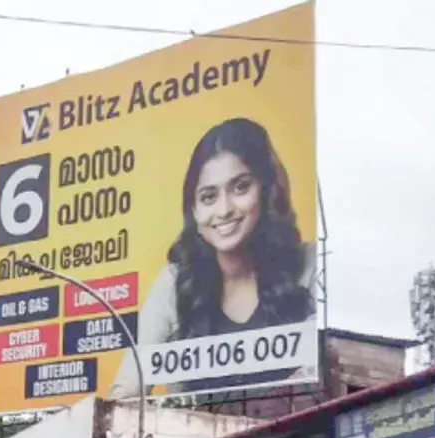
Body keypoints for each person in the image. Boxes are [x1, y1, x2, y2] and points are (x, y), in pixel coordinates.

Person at [113, 117, 316, 397]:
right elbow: (128, 387)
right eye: (209, 197)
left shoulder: (309, 265)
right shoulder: (175, 281)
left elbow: (319, 380)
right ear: (193, 210)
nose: (224, 210)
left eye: (241, 187)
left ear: (267, 189)